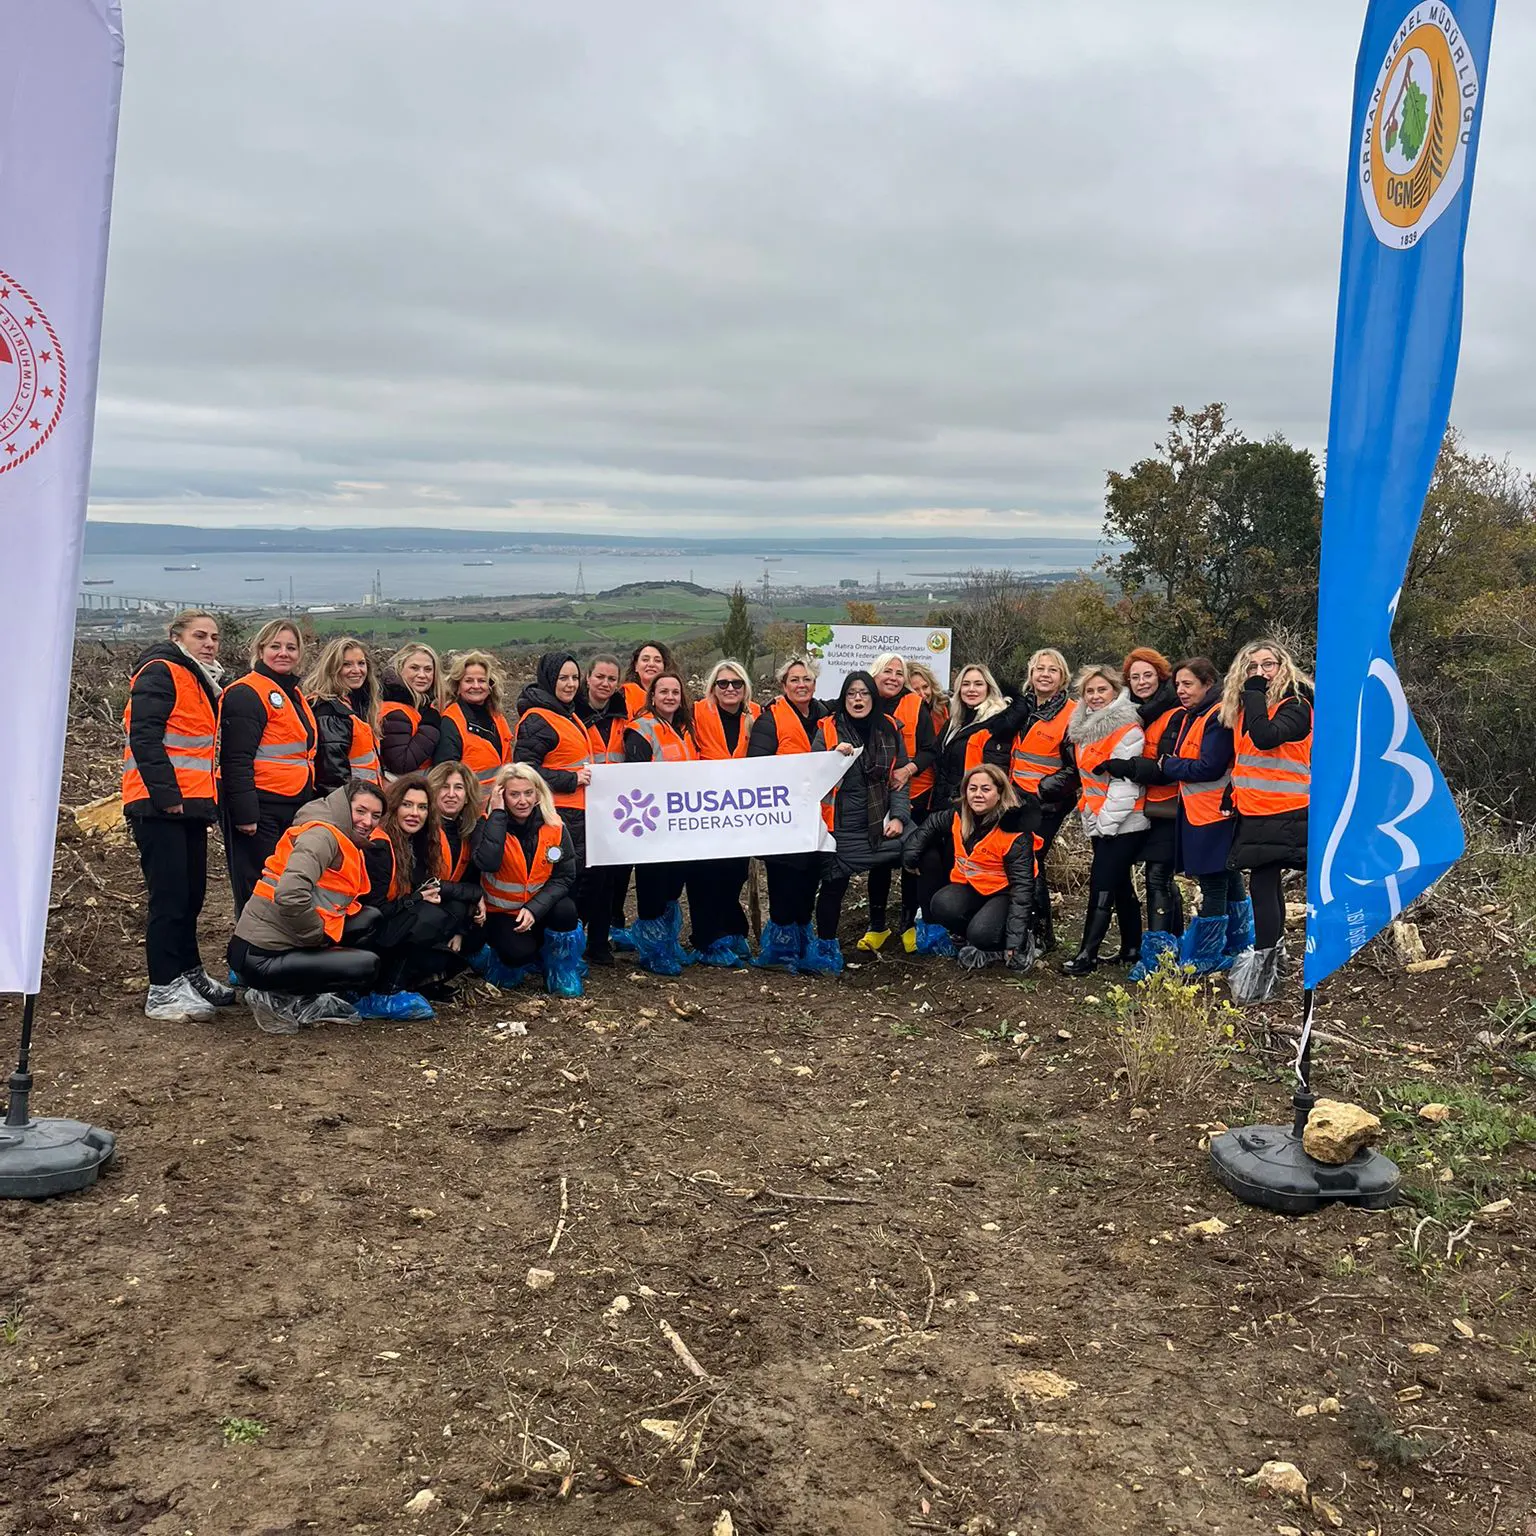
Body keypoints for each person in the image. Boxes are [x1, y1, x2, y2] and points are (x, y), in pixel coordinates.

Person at [122, 609, 237, 1022]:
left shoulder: (200, 679)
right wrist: (167, 795)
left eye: (215, 637)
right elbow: (145, 736)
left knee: (191, 897)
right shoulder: (161, 670)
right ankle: (163, 988)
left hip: (189, 805)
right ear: (177, 637)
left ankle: (189, 975)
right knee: (169, 898)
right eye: (200, 635)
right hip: (158, 806)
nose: (209, 643)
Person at [1108, 656, 1247, 978]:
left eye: (1188, 684)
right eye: (1179, 685)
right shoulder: (1191, 715)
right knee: (1228, 876)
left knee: (1213, 882)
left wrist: (1167, 766)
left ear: (1208, 684)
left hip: (1216, 812)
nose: (1181, 691)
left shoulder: (1216, 716)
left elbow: (1208, 766)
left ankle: (1206, 955)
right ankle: (1238, 943)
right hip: (1201, 809)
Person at [227, 779, 386, 1034]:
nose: (367, 821)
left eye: (375, 816)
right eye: (361, 811)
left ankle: (303, 997)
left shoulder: (338, 835)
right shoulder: (322, 836)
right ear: (344, 807)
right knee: (366, 966)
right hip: (259, 956)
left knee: (370, 919)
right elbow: (290, 893)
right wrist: (315, 936)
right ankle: (273, 997)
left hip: (283, 939)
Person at [1223, 639, 1313, 1004]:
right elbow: (1247, 759)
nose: (1259, 673)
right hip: (1255, 808)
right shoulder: (1246, 710)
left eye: (1268, 665)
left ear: (1283, 667)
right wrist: (1233, 793)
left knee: (1262, 883)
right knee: (1266, 882)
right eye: (1251, 667)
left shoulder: (1296, 705)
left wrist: (1256, 693)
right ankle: (1274, 957)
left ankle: (1264, 969)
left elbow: (1265, 739)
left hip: (1285, 809)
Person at [806, 671, 913, 977]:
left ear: (873, 698)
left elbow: (899, 779)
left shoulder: (890, 728)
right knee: (833, 884)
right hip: (840, 825)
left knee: (922, 851)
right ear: (843, 698)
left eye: (864, 693)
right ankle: (826, 947)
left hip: (881, 821)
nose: (857, 699)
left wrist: (900, 816)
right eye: (851, 693)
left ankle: (917, 927)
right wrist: (831, 759)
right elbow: (813, 777)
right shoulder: (828, 729)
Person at [217, 618, 318, 914]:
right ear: (260, 650)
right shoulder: (246, 693)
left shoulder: (293, 694)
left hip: (290, 803)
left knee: (284, 882)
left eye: (291, 647)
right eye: (275, 646)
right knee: (256, 886)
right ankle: (248, 954)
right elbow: (235, 758)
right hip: (258, 808)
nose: (283, 653)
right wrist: (245, 815)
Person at [1057, 665, 1149, 977]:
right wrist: (1093, 817)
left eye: (1101, 690)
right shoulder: (1085, 727)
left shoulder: (1127, 729)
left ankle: (1087, 954)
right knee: (1120, 883)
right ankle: (1131, 947)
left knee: (1102, 882)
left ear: (1115, 691)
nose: (1095, 696)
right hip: (1100, 816)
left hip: (1124, 819)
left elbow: (1125, 784)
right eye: (1089, 691)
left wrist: (1106, 824)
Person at [905, 764, 1039, 970]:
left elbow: (1022, 889)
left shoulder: (1015, 831)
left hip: (1007, 893)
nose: (978, 795)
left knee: (982, 933)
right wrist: (911, 855)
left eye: (986, 789)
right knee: (941, 904)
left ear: (999, 793)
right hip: (975, 887)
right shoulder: (959, 816)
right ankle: (975, 939)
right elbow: (931, 824)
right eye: (972, 788)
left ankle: (1016, 942)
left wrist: (1016, 942)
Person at [471, 762, 584, 996]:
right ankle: (503, 957)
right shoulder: (487, 823)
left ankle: (560, 968)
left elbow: (565, 875)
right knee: (518, 955)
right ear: (502, 795)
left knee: (566, 910)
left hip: (538, 908)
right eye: (514, 794)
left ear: (538, 794)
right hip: (502, 913)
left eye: (528, 793)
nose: (522, 801)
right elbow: (488, 862)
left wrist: (534, 909)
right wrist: (498, 813)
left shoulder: (554, 825)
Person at [747, 655, 828, 970]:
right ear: (783, 685)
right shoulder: (770, 720)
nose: (801, 685)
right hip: (781, 817)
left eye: (806, 679)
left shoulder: (824, 715)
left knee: (809, 880)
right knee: (784, 881)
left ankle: (801, 941)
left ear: (814, 684)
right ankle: (780, 951)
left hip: (816, 817)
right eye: (794, 679)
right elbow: (757, 767)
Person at [686, 659, 762, 966]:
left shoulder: (757, 715)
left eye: (736, 683)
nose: (730, 688)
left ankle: (733, 929)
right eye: (723, 683)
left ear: (745, 688)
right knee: (704, 873)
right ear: (712, 688)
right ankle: (706, 938)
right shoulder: (695, 712)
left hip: (740, 809)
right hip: (702, 805)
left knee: (735, 873)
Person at [623, 671, 698, 975]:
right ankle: (652, 951)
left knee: (673, 884)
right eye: (663, 691)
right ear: (652, 696)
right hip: (653, 823)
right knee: (653, 883)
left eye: (675, 692)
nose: (669, 697)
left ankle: (666, 943)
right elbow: (635, 776)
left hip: (680, 824)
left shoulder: (684, 730)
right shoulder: (641, 729)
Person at [863, 653, 939, 954]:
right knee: (879, 860)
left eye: (899, 673)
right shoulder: (864, 700)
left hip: (916, 793)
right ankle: (877, 925)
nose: (893, 677)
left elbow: (930, 750)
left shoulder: (915, 704)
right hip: (874, 798)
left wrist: (908, 769)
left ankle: (908, 924)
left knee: (912, 858)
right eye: (887, 672)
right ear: (876, 674)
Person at [1005, 648, 1076, 953]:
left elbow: (1075, 768)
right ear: (1030, 675)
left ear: (1063, 678)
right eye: (1039, 669)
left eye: (1052, 670)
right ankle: (1026, 928)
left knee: (1030, 860)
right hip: (1014, 795)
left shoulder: (1073, 713)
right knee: (1019, 860)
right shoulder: (1021, 708)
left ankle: (1041, 933)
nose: (1045, 675)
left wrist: (1043, 790)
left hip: (1046, 802)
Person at [1122, 647, 1183, 966]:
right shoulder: (1137, 710)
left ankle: (1158, 957)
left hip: (1171, 804)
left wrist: (1129, 767)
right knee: (1162, 878)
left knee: (1157, 876)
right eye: (1135, 677)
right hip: (1148, 806)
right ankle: (1175, 941)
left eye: (1148, 675)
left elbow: (1165, 762)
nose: (1142, 682)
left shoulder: (1173, 711)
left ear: (1161, 676)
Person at [576, 653, 630, 960]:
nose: (605, 683)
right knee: (586, 877)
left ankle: (598, 942)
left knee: (610, 878)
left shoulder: (624, 717)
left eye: (611, 679)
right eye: (600, 677)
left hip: (616, 808)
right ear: (588, 678)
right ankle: (574, 935)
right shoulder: (574, 714)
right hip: (581, 805)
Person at [425, 759, 487, 984]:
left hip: (450, 905)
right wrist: (471, 894)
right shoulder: (421, 827)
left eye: (458, 788)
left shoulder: (468, 830)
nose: (451, 794)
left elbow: (471, 879)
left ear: (467, 794)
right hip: (424, 907)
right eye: (444, 787)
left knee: (480, 925)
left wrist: (460, 930)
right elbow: (427, 883)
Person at [305, 636, 381, 792]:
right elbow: (333, 778)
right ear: (332, 669)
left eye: (361, 663)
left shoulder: (358, 704)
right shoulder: (331, 712)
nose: (357, 670)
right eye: (346, 664)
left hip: (364, 803)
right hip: (348, 806)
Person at [435, 650, 514, 786]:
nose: (476, 686)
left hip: (498, 801)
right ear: (458, 686)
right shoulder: (451, 721)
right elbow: (445, 775)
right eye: (469, 681)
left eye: (482, 681)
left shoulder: (497, 717)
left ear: (490, 686)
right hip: (468, 803)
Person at [379, 643, 443, 780]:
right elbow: (401, 763)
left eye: (428, 669)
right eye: (414, 668)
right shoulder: (395, 711)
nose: (422, 675)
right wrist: (431, 725)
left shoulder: (419, 706)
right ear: (400, 670)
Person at [622, 641, 675, 717]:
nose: (651, 664)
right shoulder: (623, 696)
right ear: (636, 666)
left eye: (657, 660)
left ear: (665, 667)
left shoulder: (674, 698)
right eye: (645, 660)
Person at [906, 660, 949, 739]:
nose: (922, 694)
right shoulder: (901, 717)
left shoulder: (947, 709)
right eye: (915, 690)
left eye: (925, 687)